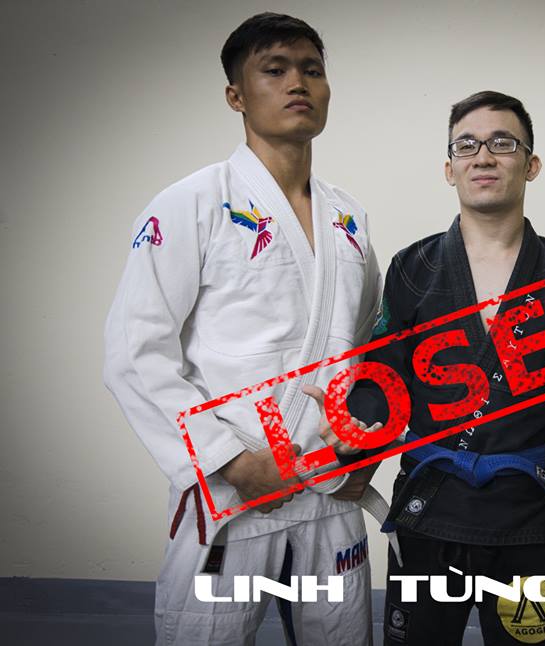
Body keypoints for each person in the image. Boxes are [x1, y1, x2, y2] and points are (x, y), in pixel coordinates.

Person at [103, 13, 381, 645]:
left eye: (312, 70)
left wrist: (361, 445)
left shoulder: (349, 216)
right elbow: (134, 353)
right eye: (274, 70)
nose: (298, 83)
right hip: (235, 488)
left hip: (329, 488)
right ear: (237, 96)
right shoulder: (192, 203)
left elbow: (365, 346)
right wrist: (226, 460)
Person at [333, 90, 545, 646]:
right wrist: (355, 436)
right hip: (430, 502)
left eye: (502, 143)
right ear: (449, 169)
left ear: (531, 164)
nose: (484, 156)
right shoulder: (413, 267)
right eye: (466, 145)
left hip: (525, 513)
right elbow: (385, 378)